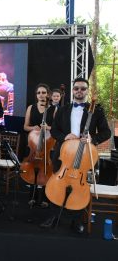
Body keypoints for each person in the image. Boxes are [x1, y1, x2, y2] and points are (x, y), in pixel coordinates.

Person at [41, 78, 111, 233]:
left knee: (79, 187)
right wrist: (64, 137)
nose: (79, 91)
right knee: (56, 183)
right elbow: (54, 131)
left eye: (83, 89)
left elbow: (107, 132)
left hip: (84, 155)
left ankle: (76, 219)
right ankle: (54, 215)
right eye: (77, 88)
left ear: (87, 91)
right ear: (73, 91)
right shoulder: (63, 109)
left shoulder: (96, 110)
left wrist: (93, 138)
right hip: (63, 153)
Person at [23, 83, 55, 208]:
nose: (41, 95)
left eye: (43, 92)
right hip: (34, 144)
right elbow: (25, 127)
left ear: (48, 94)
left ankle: (45, 197)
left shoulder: (53, 109)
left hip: (48, 144)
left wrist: (48, 127)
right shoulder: (31, 107)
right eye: (39, 93)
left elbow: (57, 128)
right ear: (36, 95)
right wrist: (34, 127)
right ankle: (32, 195)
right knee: (32, 167)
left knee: (46, 170)